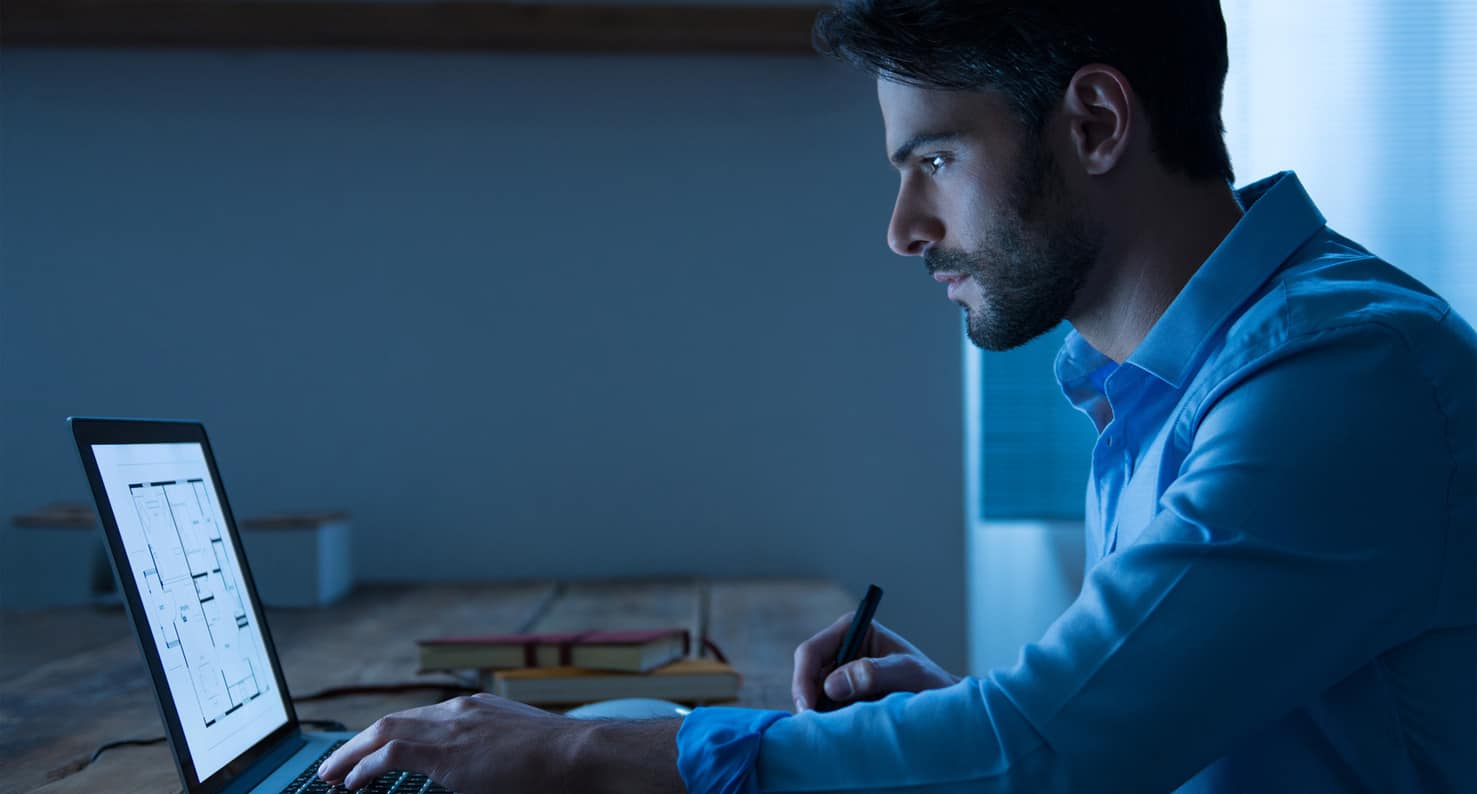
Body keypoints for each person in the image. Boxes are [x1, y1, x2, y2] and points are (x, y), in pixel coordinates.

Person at [316, 0, 1477, 791]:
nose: (903, 230)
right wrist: (952, 721)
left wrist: (579, 758)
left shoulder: (1336, 374)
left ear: (1094, 124)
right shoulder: (1168, 380)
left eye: (932, 161)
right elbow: (1120, 735)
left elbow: (1046, 751)